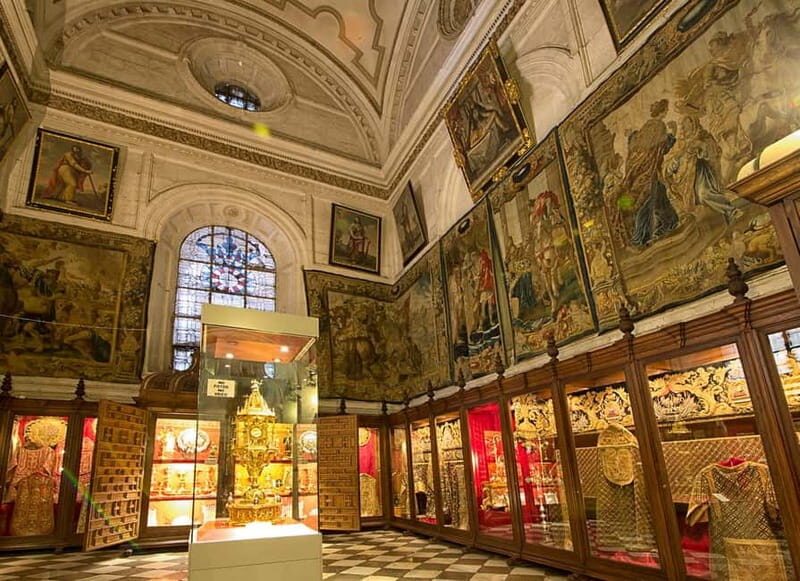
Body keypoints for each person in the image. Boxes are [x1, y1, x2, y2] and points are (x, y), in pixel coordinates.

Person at [624, 99, 679, 247]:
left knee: (660, 197)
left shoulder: (646, 127)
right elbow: (661, 147)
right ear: (662, 111)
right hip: (650, 171)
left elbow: (635, 144)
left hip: (644, 171)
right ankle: (638, 238)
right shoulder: (659, 126)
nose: (667, 112)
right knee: (647, 203)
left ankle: (669, 222)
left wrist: (630, 135)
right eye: (666, 110)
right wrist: (673, 134)